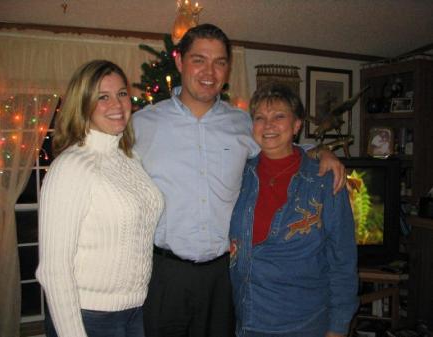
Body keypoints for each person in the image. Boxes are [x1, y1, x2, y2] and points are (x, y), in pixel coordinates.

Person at [133, 24, 346, 337]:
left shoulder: (243, 123)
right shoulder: (142, 124)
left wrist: (321, 150)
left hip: (223, 276)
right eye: (199, 60)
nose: (210, 71)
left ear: (227, 69)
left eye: (219, 62)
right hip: (165, 274)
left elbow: (280, 141)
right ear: (179, 62)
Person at [36, 60, 164, 337]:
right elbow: (53, 269)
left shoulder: (129, 158)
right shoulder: (71, 167)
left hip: (135, 311)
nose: (117, 105)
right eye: (102, 97)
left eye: (121, 94)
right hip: (88, 316)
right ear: (83, 104)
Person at [229, 82, 358, 337]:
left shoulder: (324, 179)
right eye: (260, 118)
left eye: (279, 116)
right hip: (247, 319)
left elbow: (343, 260)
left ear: (297, 125)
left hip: (305, 323)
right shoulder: (239, 174)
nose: (268, 125)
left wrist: (338, 327)